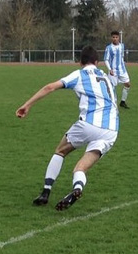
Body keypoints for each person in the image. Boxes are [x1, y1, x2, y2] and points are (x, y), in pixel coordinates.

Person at [16, 45, 119, 211]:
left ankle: (45, 193)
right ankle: (77, 188)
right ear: (97, 62)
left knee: (60, 151)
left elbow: (50, 87)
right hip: (111, 130)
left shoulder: (79, 74)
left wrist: (27, 105)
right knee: (81, 168)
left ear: (80, 62)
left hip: (89, 124)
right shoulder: (106, 77)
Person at [103, 30, 131, 109]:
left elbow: (121, 56)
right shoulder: (109, 48)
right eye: (113, 37)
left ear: (119, 38)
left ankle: (122, 102)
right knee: (112, 88)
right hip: (113, 71)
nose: (115, 38)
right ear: (111, 38)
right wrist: (110, 69)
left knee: (128, 84)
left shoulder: (122, 46)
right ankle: (114, 105)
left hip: (122, 70)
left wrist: (123, 63)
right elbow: (106, 59)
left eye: (116, 37)